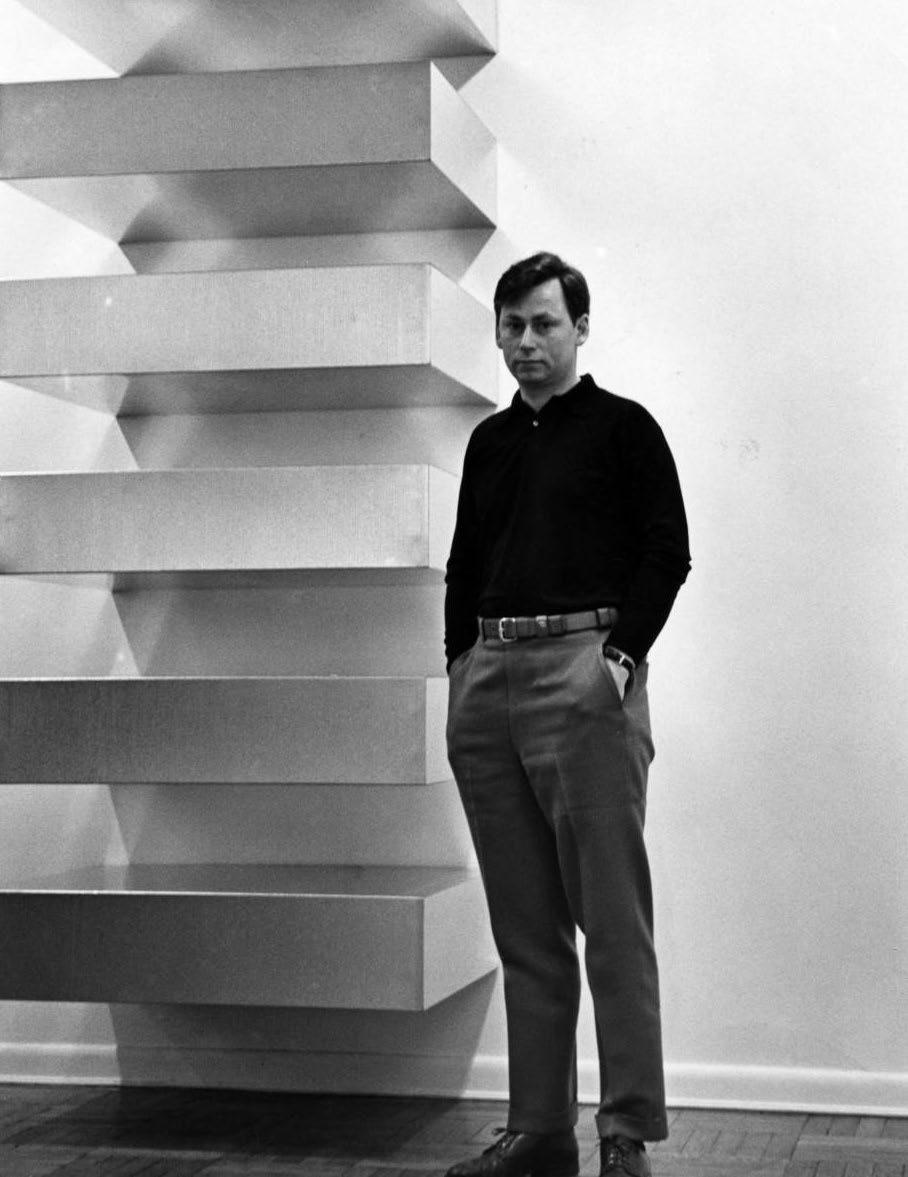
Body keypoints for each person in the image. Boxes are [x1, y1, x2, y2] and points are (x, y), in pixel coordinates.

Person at [443, 253, 691, 1177]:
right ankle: (540, 1131)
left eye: (544, 323)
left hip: (586, 677)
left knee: (612, 923)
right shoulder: (488, 443)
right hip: (490, 682)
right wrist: (460, 667)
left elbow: (667, 550)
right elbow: (464, 565)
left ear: (580, 327)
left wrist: (617, 661)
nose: (525, 342)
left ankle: (625, 1132)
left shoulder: (625, 429)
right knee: (524, 929)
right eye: (511, 325)